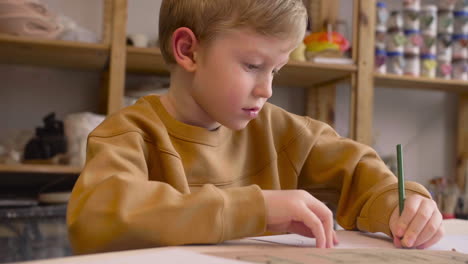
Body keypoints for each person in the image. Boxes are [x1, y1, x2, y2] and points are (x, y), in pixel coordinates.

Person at [67, 0, 444, 254]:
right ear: (188, 50)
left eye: (276, 70)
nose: (267, 89)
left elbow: (364, 177)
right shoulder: (129, 135)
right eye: (251, 65)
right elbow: (95, 219)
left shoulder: (283, 132)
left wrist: (404, 205)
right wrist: (258, 207)